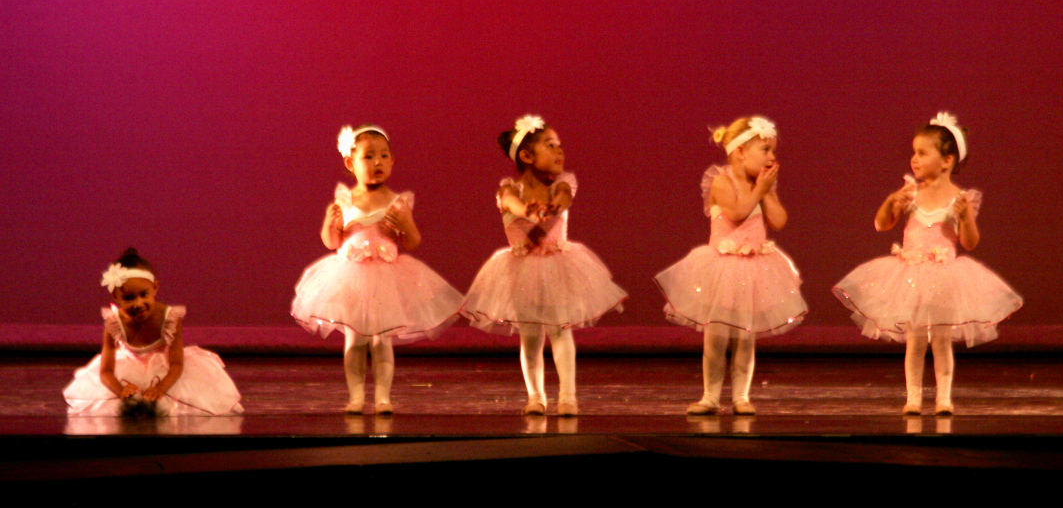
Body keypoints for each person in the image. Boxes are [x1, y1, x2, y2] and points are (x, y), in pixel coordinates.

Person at [833, 112, 1023, 415]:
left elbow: (970, 242)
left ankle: (945, 398)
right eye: (913, 152)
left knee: (942, 340)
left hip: (945, 278)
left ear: (946, 161)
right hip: (911, 279)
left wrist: (965, 217)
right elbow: (882, 224)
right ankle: (913, 398)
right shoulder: (911, 193)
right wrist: (889, 202)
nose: (914, 159)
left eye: (922, 153)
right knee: (916, 341)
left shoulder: (960, 198)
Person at [463, 115, 627, 416]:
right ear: (527, 156)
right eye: (551, 146)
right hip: (520, 271)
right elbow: (513, 204)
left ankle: (567, 397)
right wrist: (529, 211)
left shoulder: (561, 186)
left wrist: (553, 208)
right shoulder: (509, 190)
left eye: (560, 145)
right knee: (530, 336)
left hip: (557, 267)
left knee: (560, 331)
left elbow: (564, 198)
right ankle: (535, 397)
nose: (560, 151)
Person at [292, 125, 462, 414]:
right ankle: (356, 396)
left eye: (384, 156)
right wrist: (329, 222)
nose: (378, 162)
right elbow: (332, 241)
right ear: (351, 163)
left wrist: (405, 224)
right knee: (356, 339)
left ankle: (383, 397)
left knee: (382, 340)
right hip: (352, 278)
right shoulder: (345, 201)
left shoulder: (398, 201)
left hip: (386, 277)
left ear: (393, 161)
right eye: (369, 157)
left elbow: (412, 241)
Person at [655, 116, 807, 415]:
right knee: (716, 337)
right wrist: (759, 190)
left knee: (745, 337)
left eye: (773, 151)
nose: (772, 157)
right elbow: (737, 213)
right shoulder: (721, 181)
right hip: (722, 268)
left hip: (753, 270)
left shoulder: (761, 186)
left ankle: (741, 396)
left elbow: (778, 220)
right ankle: (710, 395)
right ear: (740, 152)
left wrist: (768, 191)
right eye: (765, 149)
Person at [63, 249, 243, 416]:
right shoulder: (114, 324)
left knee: (167, 405)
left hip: (164, 370)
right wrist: (120, 390)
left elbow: (176, 365)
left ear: (155, 288)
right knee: (124, 406)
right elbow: (106, 371)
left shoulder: (169, 318)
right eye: (128, 298)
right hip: (129, 367)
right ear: (115, 297)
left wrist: (161, 388)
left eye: (144, 294)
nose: (138, 304)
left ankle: (158, 403)